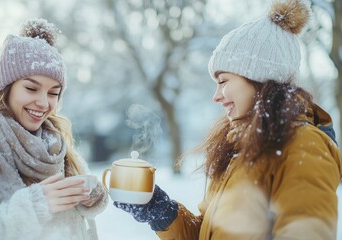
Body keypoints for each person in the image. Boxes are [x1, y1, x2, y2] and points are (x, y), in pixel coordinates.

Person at [114, 0, 342, 239]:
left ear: (259, 77)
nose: (216, 96)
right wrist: (161, 211)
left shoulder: (303, 145)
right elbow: (206, 233)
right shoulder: (236, 148)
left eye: (223, 81)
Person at [0, 18, 108, 240]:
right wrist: (34, 206)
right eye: (31, 88)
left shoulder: (57, 147)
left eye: (53, 93)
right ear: (6, 88)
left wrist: (91, 196)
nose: (44, 103)